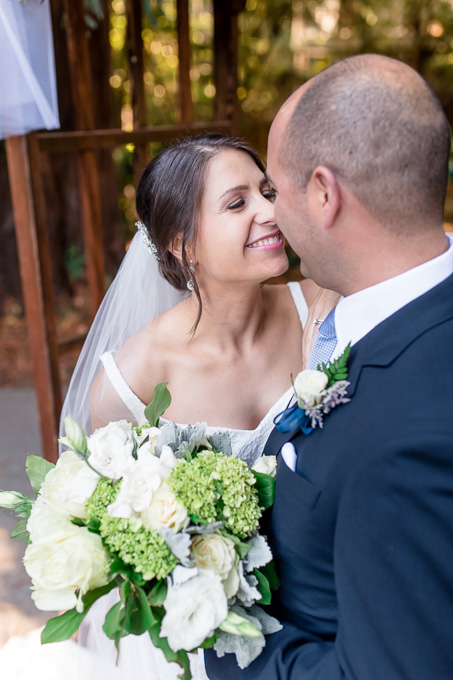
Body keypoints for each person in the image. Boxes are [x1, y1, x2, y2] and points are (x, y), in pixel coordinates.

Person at [204, 55, 453, 680]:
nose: (271, 214)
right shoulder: (399, 326)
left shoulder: (401, 438)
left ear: (323, 193)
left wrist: (215, 634)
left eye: (275, 190)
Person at [59, 133, 338, 679]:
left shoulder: (322, 306)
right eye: (237, 203)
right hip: (210, 635)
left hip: (329, 600)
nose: (269, 210)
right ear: (182, 244)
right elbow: (120, 535)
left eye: (266, 191)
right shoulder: (130, 382)